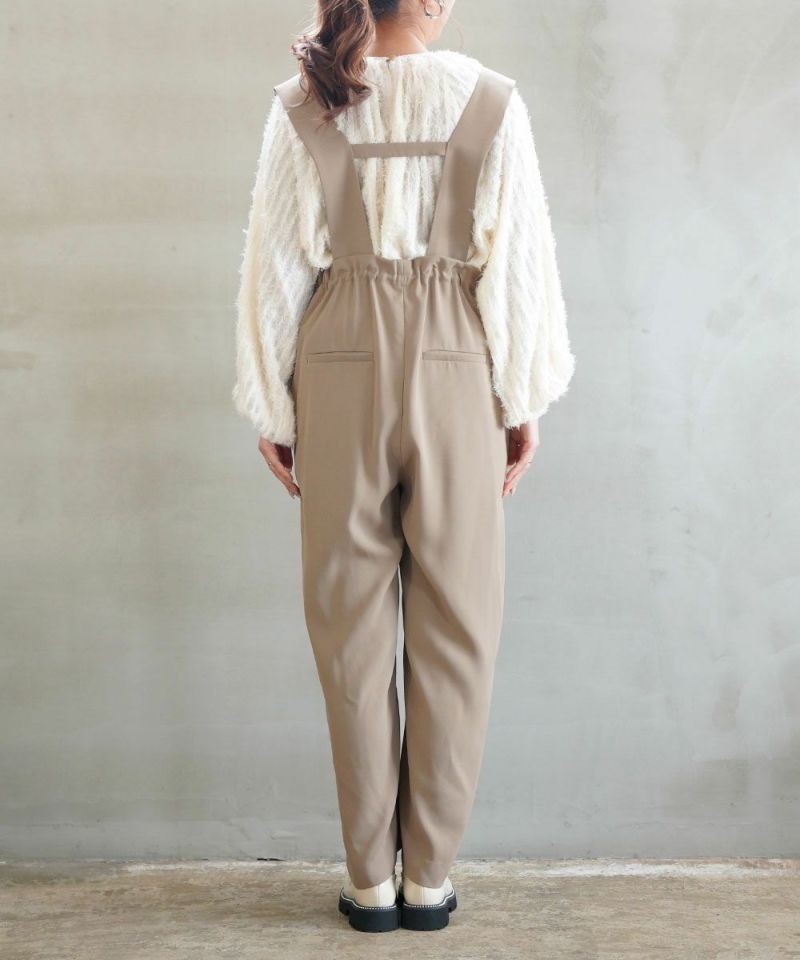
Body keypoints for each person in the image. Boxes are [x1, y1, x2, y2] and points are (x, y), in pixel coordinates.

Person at [233, 0, 575, 934]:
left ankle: (369, 883)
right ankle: (429, 879)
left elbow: (275, 262)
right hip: (458, 362)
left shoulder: (304, 101)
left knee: (349, 630)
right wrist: (521, 400)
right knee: (458, 628)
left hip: (336, 362)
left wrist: (272, 405)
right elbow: (520, 266)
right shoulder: (490, 101)